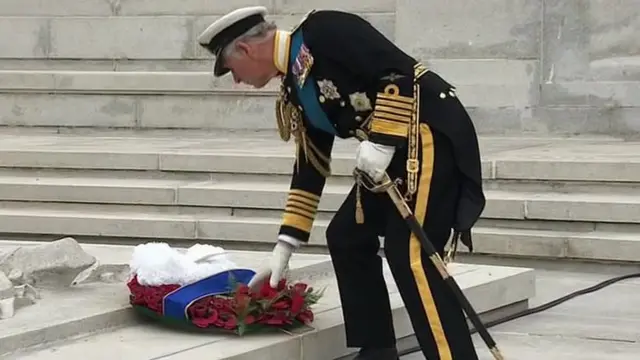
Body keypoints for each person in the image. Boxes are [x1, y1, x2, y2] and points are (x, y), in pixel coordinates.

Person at [197, 7, 486, 360]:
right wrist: (285, 246)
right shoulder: (295, 83)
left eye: (232, 71)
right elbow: (311, 165)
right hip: (388, 154)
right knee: (347, 236)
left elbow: (399, 74)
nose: (237, 81)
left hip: (427, 138)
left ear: (245, 49)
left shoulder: (325, 30)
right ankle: (377, 349)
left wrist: (381, 141)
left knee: (410, 254)